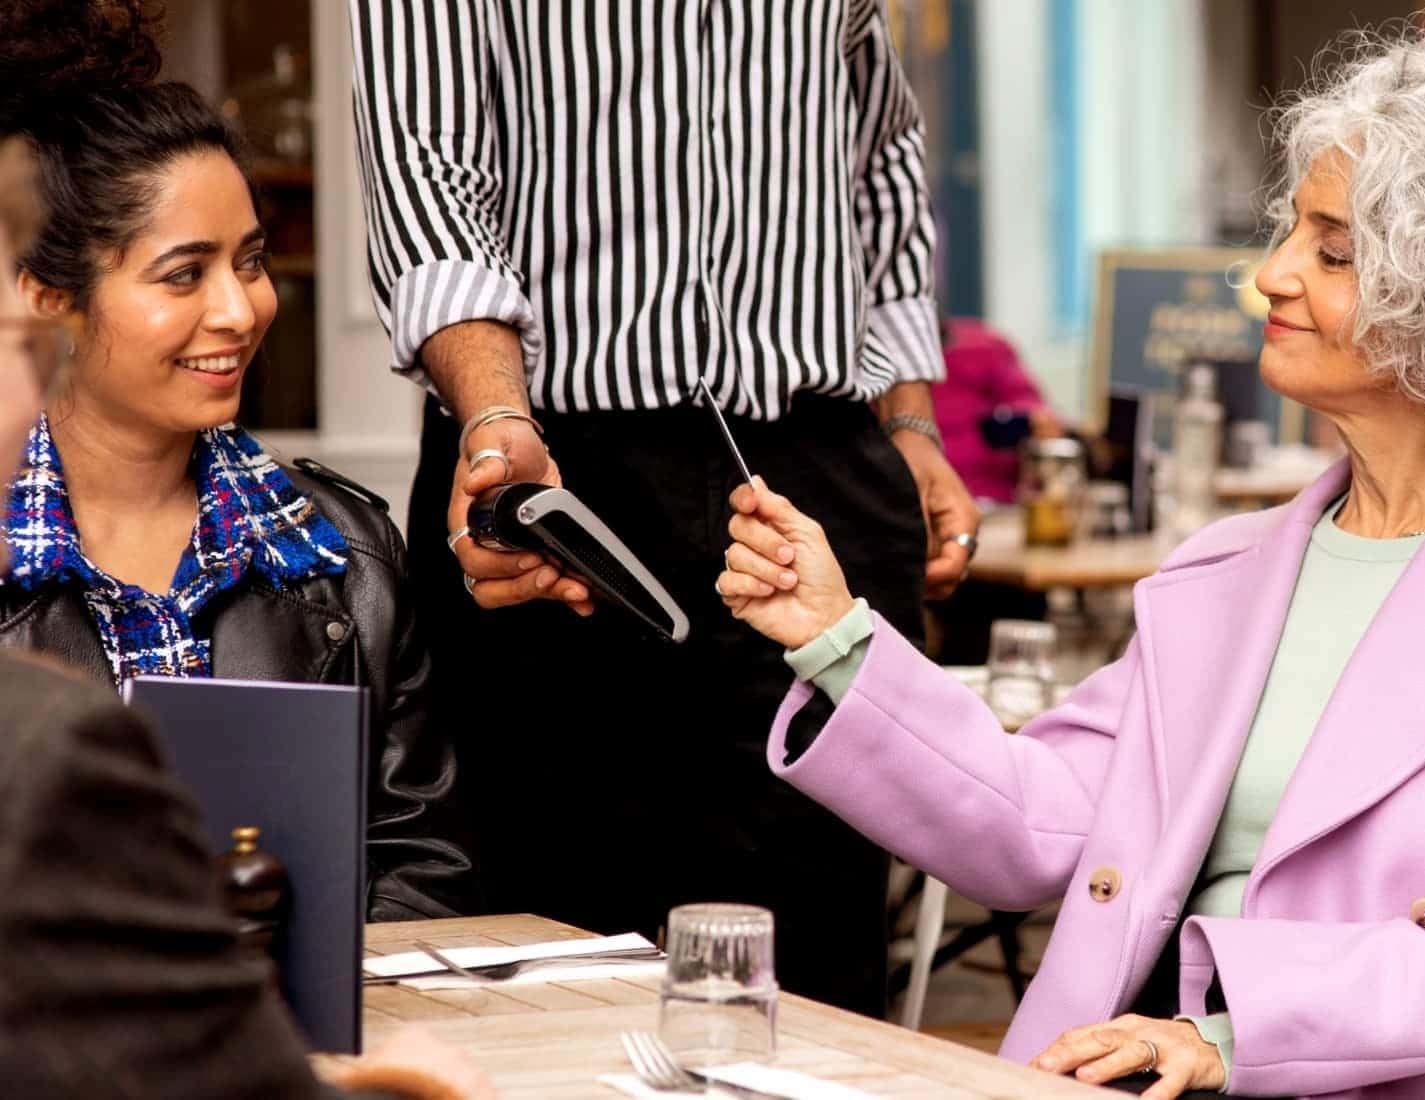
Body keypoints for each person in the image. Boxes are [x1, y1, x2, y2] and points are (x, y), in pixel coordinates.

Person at [717, 24, 1425, 1099]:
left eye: (1331, 251)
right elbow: (1040, 818)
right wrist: (838, 636)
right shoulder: (1227, 570)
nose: (1267, 274)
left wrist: (1224, 1036)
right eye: (1289, 232)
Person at [350, 0, 979, 1013]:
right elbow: (427, 167)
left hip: (818, 462)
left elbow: (880, 154)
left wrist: (911, 422)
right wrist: (495, 413)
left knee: (816, 950)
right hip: (558, 469)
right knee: (556, 937)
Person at [0, 81, 490, 1100]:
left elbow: (420, 864)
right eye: (185, 273)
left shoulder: (344, 549)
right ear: (50, 294)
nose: (243, 308)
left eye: (253, 260)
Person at [936, 315, 1063, 505]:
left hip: (996, 499)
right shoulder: (885, 365)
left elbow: (1027, 400)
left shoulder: (984, 346)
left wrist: (1035, 420)